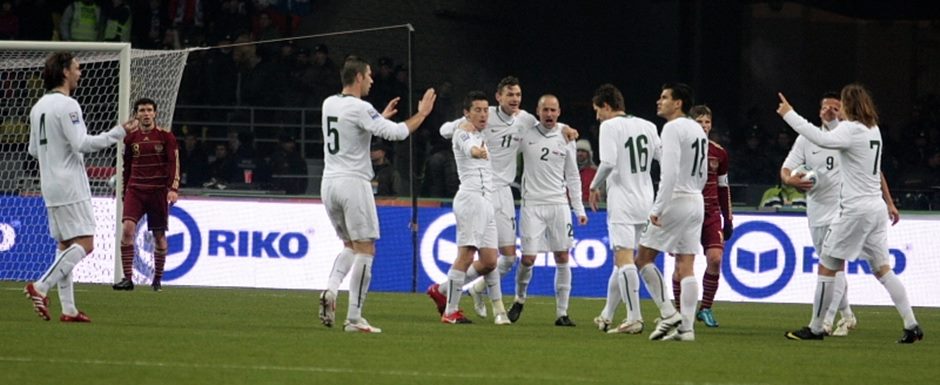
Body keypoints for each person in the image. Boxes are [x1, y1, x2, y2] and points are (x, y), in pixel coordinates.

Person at [778, 85, 923, 343]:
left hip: (854, 210)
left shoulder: (851, 130)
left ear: (849, 105)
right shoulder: (873, 130)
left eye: (842, 105)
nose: (839, 110)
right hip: (875, 208)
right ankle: (911, 324)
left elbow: (820, 138)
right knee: (883, 270)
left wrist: (790, 114)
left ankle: (815, 327)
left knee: (827, 266)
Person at [439, 76, 578, 319]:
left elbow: (547, 127)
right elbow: (445, 130)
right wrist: (460, 128)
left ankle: (450, 290)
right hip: (479, 191)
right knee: (476, 253)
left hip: (502, 191)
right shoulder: (484, 114)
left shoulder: (524, 119)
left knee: (506, 258)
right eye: (510, 95)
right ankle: (487, 308)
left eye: (518, 95)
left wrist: (565, 128)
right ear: (499, 97)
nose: (514, 99)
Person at [317, 56, 436, 333]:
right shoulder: (361, 108)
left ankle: (331, 291)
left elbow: (350, 129)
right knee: (366, 249)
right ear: (358, 77)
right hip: (353, 184)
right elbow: (397, 133)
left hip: (329, 183)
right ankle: (354, 318)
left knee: (349, 245)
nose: (372, 80)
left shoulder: (329, 103)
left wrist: (376, 118)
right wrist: (423, 113)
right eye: (369, 75)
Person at [24, 52, 137, 322]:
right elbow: (82, 144)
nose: (80, 72)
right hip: (70, 185)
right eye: (76, 67)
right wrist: (118, 132)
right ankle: (40, 287)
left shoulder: (37, 106)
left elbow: (32, 150)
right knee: (86, 243)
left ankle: (69, 308)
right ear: (65, 71)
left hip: (49, 184)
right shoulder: (68, 105)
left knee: (65, 245)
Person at [426, 91, 508, 325]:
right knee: (466, 255)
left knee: (490, 260)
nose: (483, 114)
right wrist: (477, 151)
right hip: (471, 199)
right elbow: (468, 146)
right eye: (477, 110)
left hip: (486, 201)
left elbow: (443, 129)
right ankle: (451, 311)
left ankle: (442, 290)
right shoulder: (464, 133)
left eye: (485, 110)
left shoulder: (468, 128)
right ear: (467, 112)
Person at [635, 83, 707, 342]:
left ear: (678, 103)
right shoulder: (698, 129)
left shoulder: (672, 128)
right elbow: (703, 172)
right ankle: (687, 328)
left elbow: (670, 173)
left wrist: (658, 207)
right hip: (695, 199)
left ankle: (668, 313)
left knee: (642, 258)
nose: (659, 101)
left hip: (675, 198)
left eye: (664, 97)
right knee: (686, 266)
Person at [507, 95, 587, 326]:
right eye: (545, 110)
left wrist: (578, 208)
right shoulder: (526, 134)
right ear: (538, 112)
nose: (549, 114)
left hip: (558, 205)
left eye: (553, 110)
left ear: (559, 112)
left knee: (562, 255)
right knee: (529, 258)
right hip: (532, 204)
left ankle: (562, 313)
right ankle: (519, 299)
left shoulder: (566, 137)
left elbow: (572, 175)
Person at [588, 84, 660, 334]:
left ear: (607, 106)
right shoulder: (648, 125)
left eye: (598, 110)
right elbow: (663, 158)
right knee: (630, 262)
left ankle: (634, 317)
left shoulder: (609, 126)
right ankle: (608, 314)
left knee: (624, 259)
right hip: (646, 200)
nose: (597, 117)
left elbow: (607, 163)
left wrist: (594, 185)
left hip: (623, 201)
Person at [671, 105, 733, 328]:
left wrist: (728, 218)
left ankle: (705, 308)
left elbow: (724, 187)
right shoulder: (680, 150)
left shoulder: (719, 153)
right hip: (686, 210)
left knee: (715, 259)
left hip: (710, 212)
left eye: (707, 122)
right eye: (699, 122)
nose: (704, 126)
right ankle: (678, 312)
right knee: (682, 265)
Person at [112, 98, 180, 292]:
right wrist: (124, 190)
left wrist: (173, 188)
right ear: (136, 114)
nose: (146, 113)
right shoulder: (131, 139)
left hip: (158, 191)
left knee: (159, 236)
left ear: (155, 113)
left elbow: (174, 163)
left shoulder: (166, 137)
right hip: (135, 189)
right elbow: (126, 167)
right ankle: (127, 278)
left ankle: (157, 280)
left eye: (149, 110)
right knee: (127, 230)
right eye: (142, 110)